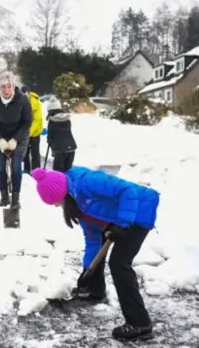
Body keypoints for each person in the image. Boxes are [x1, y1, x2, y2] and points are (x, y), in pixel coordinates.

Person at [31, 166, 160, 341]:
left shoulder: (89, 182)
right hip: (119, 218)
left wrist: (122, 223)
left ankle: (140, 324)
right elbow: (93, 239)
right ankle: (95, 290)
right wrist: (87, 272)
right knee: (100, 243)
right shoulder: (76, 203)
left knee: (119, 264)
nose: (55, 206)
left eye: (56, 201)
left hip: (139, 211)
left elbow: (128, 190)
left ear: (64, 193)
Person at [0, 71, 32, 209]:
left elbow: (27, 122)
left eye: (9, 86)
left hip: (19, 137)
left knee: (16, 167)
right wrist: (0, 139)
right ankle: (4, 196)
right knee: (0, 168)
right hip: (1, 137)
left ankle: (16, 198)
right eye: (3, 87)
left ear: (14, 85)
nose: (6, 90)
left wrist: (15, 139)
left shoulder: (23, 99)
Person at [45, 99, 77, 172]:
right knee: (68, 171)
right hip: (71, 147)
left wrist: (52, 148)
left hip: (60, 149)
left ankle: (58, 183)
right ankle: (68, 183)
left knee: (58, 172)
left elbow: (50, 137)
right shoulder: (67, 119)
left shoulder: (52, 121)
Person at [21, 86, 43, 174]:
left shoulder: (35, 102)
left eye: (25, 94)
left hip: (35, 133)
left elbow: (37, 120)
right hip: (24, 132)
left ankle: (36, 172)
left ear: (29, 93)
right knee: (25, 153)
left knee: (35, 153)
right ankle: (26, 171)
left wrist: (29, 132)